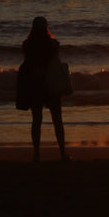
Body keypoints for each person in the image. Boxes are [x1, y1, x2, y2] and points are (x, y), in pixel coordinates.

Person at [18, 16, 68, 162]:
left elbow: (26, 66)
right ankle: (63, 153)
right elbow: (56, 63)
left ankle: (37, 154)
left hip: (35, 85)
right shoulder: (53, 44)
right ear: (46, 27)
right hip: (51, 84)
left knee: (36, 120)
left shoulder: (27, 45)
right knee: (57, 120)